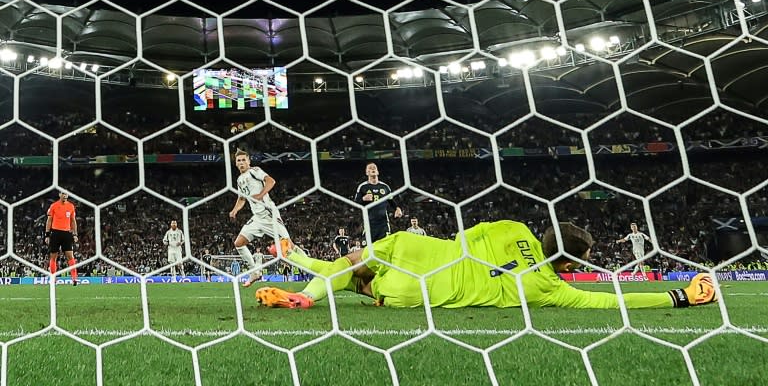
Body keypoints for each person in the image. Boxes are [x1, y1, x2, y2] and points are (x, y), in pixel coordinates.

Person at [255, 220, 717, 311]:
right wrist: (676, 296)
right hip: (422, 294)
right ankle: (304, 281)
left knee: (354, 262)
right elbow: (612, 302)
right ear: (575, 261)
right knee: (365, 285)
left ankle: (303, 278)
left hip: (418, 250)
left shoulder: (513, 228)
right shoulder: (553, 288)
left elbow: (461, 236)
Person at [229, 149, 292, 287]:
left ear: (248, 161)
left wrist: (260, 195)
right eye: (238, 161)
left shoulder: (255, 170)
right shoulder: (239, 180)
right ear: (235, 163)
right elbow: (241, 198)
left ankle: (311, 269)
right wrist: (234, 210)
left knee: (289, 247)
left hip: (268, 214)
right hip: (257, 218)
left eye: (243, 160)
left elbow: (271, 181)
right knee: (238, 243)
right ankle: (255, 272)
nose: (241, 163)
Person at [353, 162, 403, 243]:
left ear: (378, 172)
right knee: (369, 249)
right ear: (366, 173)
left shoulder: (385, 187)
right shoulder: (363, 187)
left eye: (374, 167)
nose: (372, 168)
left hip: (383, 224)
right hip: (369, 224)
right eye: (370, 168)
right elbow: (355, 204)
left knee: (385, 246)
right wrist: (363, 199)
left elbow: (391, 201)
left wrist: (397, 209)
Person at [45, 191, 79, 285]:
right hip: (55, 233)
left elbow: (73, 221)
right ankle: (53, 278)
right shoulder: (54, 206)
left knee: (70, 256)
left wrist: (75, 234)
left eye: (66, 194)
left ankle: (74, 278)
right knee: (53, 256)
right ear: (59, 195)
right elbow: (49, 221)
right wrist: (47, 235)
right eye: (63, 194)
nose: (65, 195)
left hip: (66, 233)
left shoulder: (71, 206)